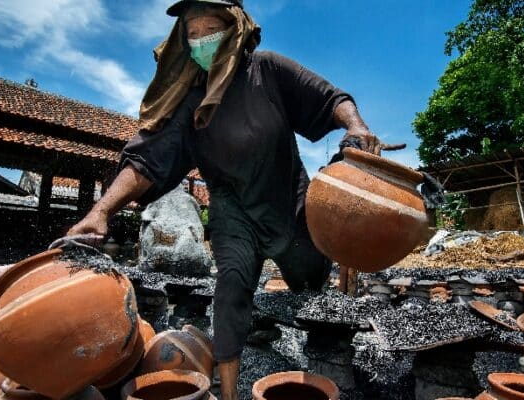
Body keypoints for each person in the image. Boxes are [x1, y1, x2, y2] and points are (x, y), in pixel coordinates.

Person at [67, 0, 379, 398]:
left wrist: (356, 126)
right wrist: (101, 210)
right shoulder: (188, 102)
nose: (200, 42)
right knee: (230, 289)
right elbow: (146, 159)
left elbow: (330, 99)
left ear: (234, 30)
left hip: (289, 202)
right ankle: (229, 393)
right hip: (232, 211)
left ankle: (318, 374)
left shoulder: (266, 70)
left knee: (312, 280)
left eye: (208, 31)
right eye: (191, 35)